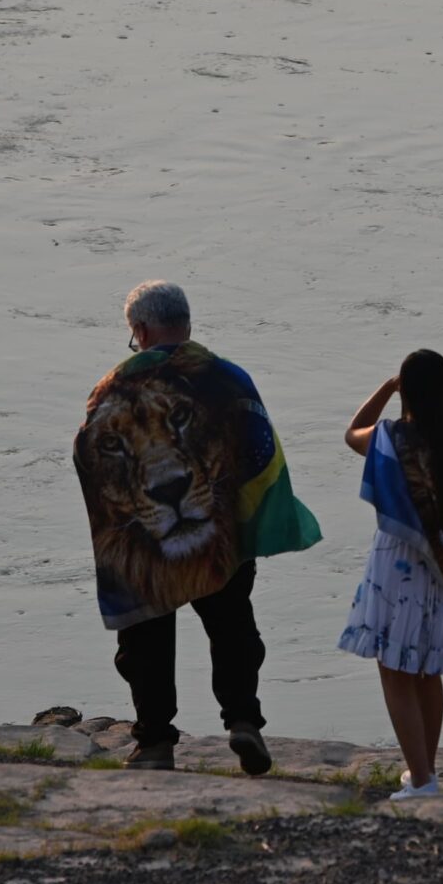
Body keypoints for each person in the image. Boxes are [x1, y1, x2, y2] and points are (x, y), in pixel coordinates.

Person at [73, 281, 320, 773]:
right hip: (220, 528)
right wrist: (247, 519)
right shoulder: (228, 377)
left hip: (148, 538)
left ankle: (155, 742)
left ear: (141, 331)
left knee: (145, 640)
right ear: (186, 325)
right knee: (233, 629)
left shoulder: (109, 390)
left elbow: (87, 461)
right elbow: (260, 447)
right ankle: (243, 721)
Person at [339, 350, 443, 802]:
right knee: (428, 670)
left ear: (407, 391)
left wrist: (385, 388)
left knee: (395, 670)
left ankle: (422, 780)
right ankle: (424, 771)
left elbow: (352, 433)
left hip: (399, 563)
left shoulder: (392, 438)